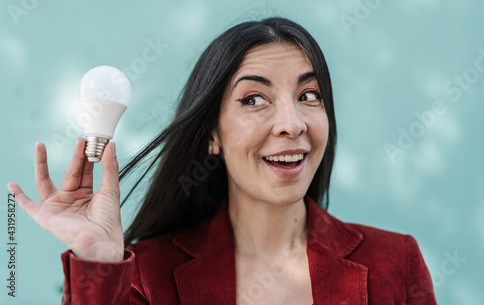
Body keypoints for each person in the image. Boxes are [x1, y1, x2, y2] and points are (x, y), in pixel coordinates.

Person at [7, 17, 437, 304]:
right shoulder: (147, 276)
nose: (292, 123)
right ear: (212, 133)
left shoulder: (395, 262)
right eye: (254, 99)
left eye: (309, 95)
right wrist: (99, 263)